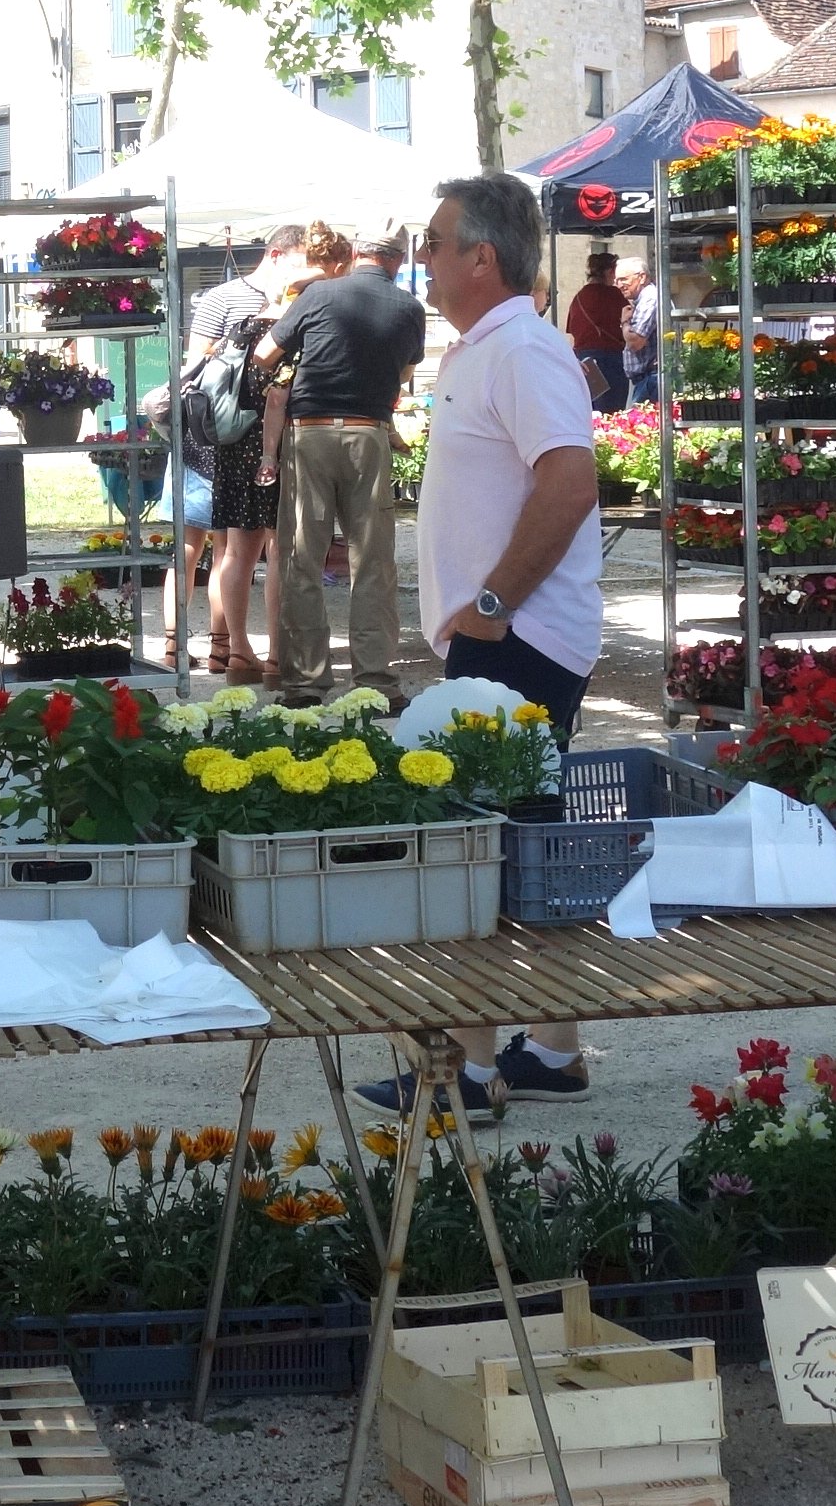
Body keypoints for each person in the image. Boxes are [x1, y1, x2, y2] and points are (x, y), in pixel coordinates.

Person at [381, 170, 605, 1114]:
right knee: (526, 848)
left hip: (516, 636)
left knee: (472, 851)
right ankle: (552, 1048)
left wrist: (491, 601)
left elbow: (571, 482)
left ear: (482, 256)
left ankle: (467, 1071)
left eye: (434, 244)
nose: (422, 261)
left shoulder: (522, 348)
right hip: (504, 633)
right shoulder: (489, 347)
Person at [260, 221, 430, 699]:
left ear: (356, 252)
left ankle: (305, 682)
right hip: (368, 434)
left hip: (309, 433)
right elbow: (404, 372)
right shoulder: (410, 308)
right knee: (372, 562)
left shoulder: (318, 294)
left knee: (302, 559)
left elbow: (265, 354)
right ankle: (375, 682)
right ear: (397, 260)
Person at [187, 226, 307, 676]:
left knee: (236, 551)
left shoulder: (240, 326)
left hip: (234, 443)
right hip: (275, 444)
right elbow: (278, 396)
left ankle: (237, 650)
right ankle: (276, 655)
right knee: (278, 550)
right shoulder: (289, 330)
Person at [564, 249, 631, 411]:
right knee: (613, 412)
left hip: (583, 361)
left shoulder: (579, 297)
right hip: (610, 359)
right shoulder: (614, 295)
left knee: (589, 411)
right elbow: (629, 320)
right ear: (609, 272)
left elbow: (572, 330)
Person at [620, 259, 662, 406]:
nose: (619, 285)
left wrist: (625, 322)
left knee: (642, 420)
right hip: (648, 379)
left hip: (652, 380)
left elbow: (635, 342)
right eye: (617, 280)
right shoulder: (644, 299)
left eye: (624, 279)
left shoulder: (649, 299)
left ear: (642, 277)